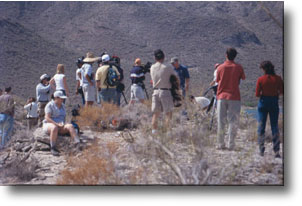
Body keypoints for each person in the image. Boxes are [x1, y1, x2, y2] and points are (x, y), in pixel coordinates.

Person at [216, 48, 246, 150]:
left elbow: (217, 80)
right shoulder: (239, 67)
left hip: (221, 96)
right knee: (233, 121)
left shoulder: (220, 67)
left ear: (226, 55)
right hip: (234, 97)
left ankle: (220, 144)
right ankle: (231, 144)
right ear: (235, 56)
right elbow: (243, 78)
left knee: (221, 121)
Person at [256, 61, 283, 158]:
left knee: (261, 126)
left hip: (263, 102)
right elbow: (282, 92)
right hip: (274, 102)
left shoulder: (261, 79)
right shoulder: (278, 79)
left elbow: (257, 94)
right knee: (274, 126)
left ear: (264, 69)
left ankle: (261, 149)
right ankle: (276, 151)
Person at [43, 91, 81, 156]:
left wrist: (62, 124)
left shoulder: (63, 105)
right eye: (61, 98)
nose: (62, 99)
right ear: (56, 98)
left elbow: (63, 117)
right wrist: (56, 124)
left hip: (60, 125)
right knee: (54, 128)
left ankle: (77, 144)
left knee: (70, 126)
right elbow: (47, 118)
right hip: (49, 124)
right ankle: (53, 147)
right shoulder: (49, 105)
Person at [150, 49, 176, 134]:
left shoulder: (152, 67)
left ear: (155, 58)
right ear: (163, 57)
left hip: (155, 91)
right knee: (168, 113)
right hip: (165, 91)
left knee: (156, 114)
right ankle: (168, 132)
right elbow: (174, 78)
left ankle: (154, 132)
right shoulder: (168, 67)